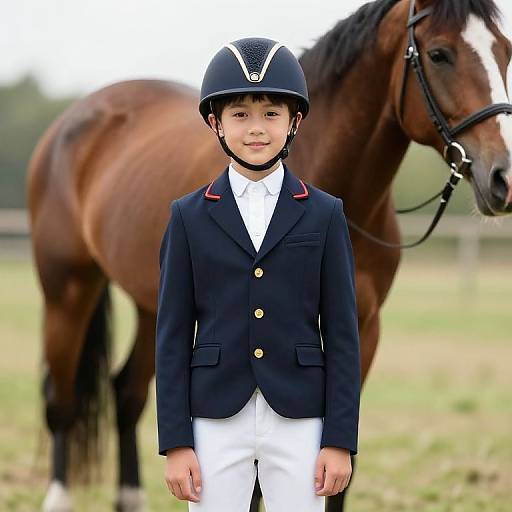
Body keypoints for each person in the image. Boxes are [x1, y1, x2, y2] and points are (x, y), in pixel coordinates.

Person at [155, 36, 361, 512]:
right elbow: (170, 335)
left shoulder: (325, 214)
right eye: (240, 114)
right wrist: (176, 442)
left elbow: (344, 334)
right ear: (216, 123)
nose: (256, 129)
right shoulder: (187, 216)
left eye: (271, 114)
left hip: (300, 413)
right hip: (213, 415)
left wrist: (340, 438)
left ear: (295, 122)